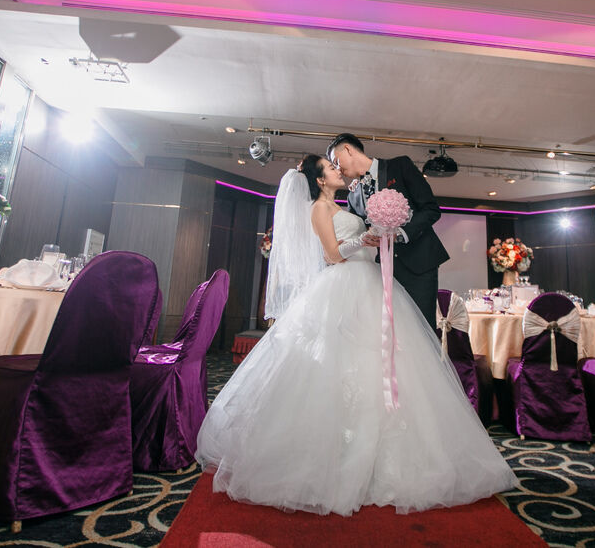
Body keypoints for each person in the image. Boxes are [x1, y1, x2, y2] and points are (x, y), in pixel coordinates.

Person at [195, 155, 516, 517]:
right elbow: (332, 255)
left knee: (381, 362)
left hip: (370, 282)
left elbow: (356, 247)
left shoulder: (342, 204)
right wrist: (362, 239)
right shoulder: (318, 209)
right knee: (346, 362)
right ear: (320, 180)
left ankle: (381, 452)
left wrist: (376, 239)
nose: (338, 170)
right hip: (344, 287)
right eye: (330, 168)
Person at [326, 133, 449, 332]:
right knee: (390, 331)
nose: (337, 169)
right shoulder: (353, 195)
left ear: (348, 149)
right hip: (383, 271)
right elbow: (360, 231)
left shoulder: (399, 166)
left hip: (418, 264)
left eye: (336, 161)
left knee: (422, 330)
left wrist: (399, 234)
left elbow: (431, 210)